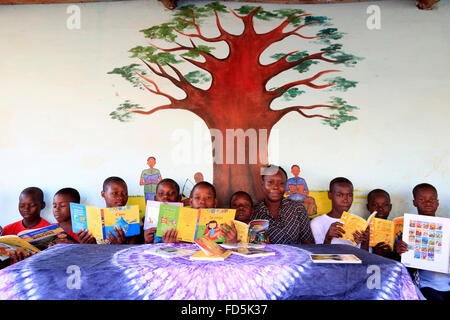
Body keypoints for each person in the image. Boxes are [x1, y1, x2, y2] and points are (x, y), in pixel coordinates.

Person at [395, 183, 449, 301]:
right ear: (414, 202)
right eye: (422, 199)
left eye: (432, 199)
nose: (428, 203)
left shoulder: (447, 228)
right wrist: (402, 253)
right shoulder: (408, 229)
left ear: (437, 202)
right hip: (426, 286)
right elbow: (406, 268)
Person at [252, 165, 315, 244]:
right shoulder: (255, 213)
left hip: (297, 256)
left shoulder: (298, 208)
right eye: (270, 182)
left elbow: (308, 243)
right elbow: (254, 247)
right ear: (262, 185)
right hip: (268, 256)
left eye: (281, 183)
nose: (275, 187)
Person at [310, 177, 368, 249]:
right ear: (330, 195)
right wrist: (328, 238)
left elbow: (366, 257)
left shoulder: (360, 222)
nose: (345, 200)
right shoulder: (317, 223)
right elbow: (317, 254)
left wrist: (365, 242)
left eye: (349, 195)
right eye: (340, 195)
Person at [101, 176, 138, 244]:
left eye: (125, 194)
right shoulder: (96, 218)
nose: (120, 197)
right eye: (115, 193)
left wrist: (121, 245)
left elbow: (133, 247)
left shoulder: (133, 219)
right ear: (103, 194)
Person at [144, 178, 181, 244]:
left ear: (179, 198)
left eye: (171, 193)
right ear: (155, 199)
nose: (166, 196)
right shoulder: (147, 220)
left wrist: (176, 243)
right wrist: (146, 241)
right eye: (161, 193)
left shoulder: (184, 220)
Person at [366, 189, 394, 257]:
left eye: (385, 205)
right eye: (375, 205)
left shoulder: (395, 228)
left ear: (390, 207)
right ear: (368, 207)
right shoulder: (363, 228)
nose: (380, 208)